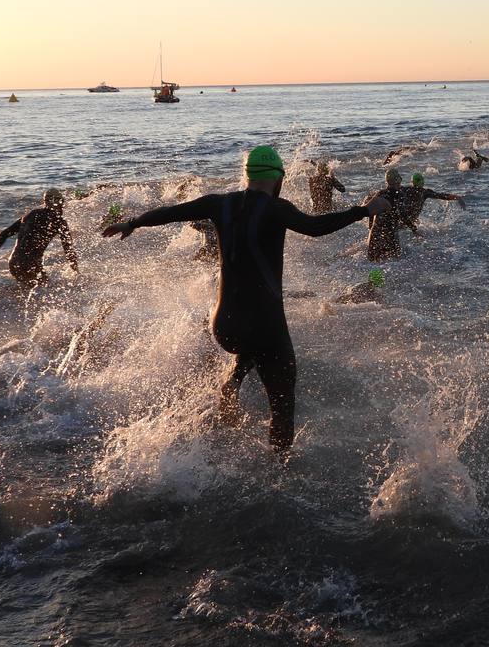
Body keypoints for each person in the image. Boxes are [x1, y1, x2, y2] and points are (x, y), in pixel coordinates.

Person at [102, 145, 388, 455]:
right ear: (278, 177)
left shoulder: (218, 203)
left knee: (251, 343)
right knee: (282, 402)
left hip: (224, 325)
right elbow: (315, 227)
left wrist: (133, 222)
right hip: (263, 326)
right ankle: (279, 466)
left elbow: (173, 212)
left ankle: (232, 381)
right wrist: (365, 211)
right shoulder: (277, 209)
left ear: (248, 175)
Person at [0, 189, 79, 288]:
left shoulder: (31, 215)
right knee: (45, 291)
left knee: (30, 289)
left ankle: (2, 295)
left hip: (13, 262)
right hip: (30, 264)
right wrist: (76, 271)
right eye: (61, 202)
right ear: (57, 202)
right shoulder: (59, 222)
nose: (62, 206)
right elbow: (68, 249)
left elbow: (4, 234)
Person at [365, 168, 416, 262]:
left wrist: (370, 226)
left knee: (371, 261)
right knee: (396, 261)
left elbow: (370, 211)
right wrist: (414, 229)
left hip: (376, 233)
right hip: (390, 233)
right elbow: (403, 215)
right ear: (398, 180)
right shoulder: (400, 195)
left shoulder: (380, 193)